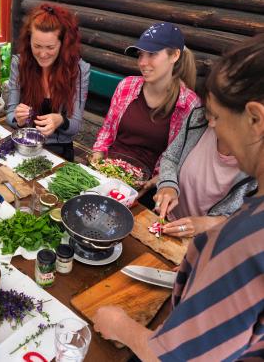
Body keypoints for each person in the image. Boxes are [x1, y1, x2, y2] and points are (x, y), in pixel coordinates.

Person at [91, 34, 264, 361]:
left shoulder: (246, 241)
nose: (212, 126)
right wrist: (169, 186)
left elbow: (181, 355)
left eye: (219, 118)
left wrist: (120, 326)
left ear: (255, 119)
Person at [91, 22, 200, 183]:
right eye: (141, 54)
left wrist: (151, 184)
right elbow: (107, 129)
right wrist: (97, 157)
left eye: (152, 54)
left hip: (149, 185)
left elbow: (181, 159)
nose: (142, 62)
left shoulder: (189, 104)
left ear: (175, 55)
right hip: (108, 170)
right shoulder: (127, 85)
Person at [153, 106, 257, 237]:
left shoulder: (257, 166)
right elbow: (171, 157)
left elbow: (247, 222)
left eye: (218, 116)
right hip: (167, 221)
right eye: (209, 110)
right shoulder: (199, 119)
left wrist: (205, 224)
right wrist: (168, 185)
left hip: (205, 243)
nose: (210, 122)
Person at [6, 3, 90, 162]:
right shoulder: (19, 63)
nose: (43, 54)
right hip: (26, 145)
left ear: (63, 44)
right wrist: (19, 119)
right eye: (37, 46)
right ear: (28, 40)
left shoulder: (78, 71)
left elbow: (75, 127)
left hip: (59, 151)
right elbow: (10, 116)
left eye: (50, 47)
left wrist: (60, 120)